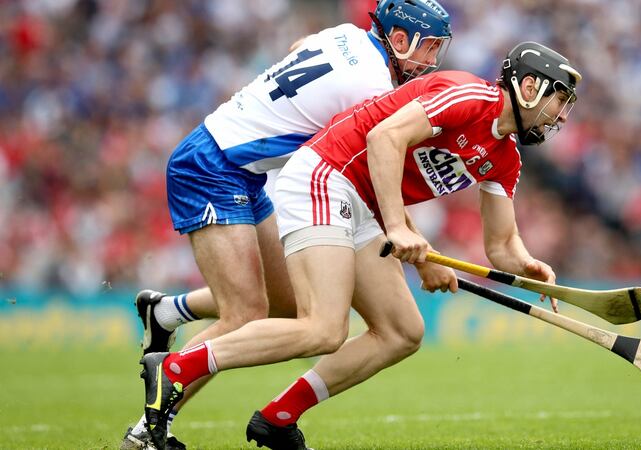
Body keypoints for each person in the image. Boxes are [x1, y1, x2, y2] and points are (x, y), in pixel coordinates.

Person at [139, 41, 580, 450]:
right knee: (323, 329)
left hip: (362, 200)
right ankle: (177, 368)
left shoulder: (506, 158)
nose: (560, 117)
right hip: (326, 174)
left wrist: (525, 264)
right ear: (528, 86)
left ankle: (277, 419)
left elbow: (501, 243)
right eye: (559, 101)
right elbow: (383, 139)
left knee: (402, 331)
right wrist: (398, 228)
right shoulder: (467, 94)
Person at [121, 1, 453, 449]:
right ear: (397, 39)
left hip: (243, 169)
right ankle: (147, 430)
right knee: (245, 313)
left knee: (288, 304)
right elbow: (374, 170)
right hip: (212, 168)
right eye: (427, 48)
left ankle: (168, 311)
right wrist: (415, 250)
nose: (431, 62)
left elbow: (300, 47)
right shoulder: (373, 86)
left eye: (437, 49)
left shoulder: (347, 35)